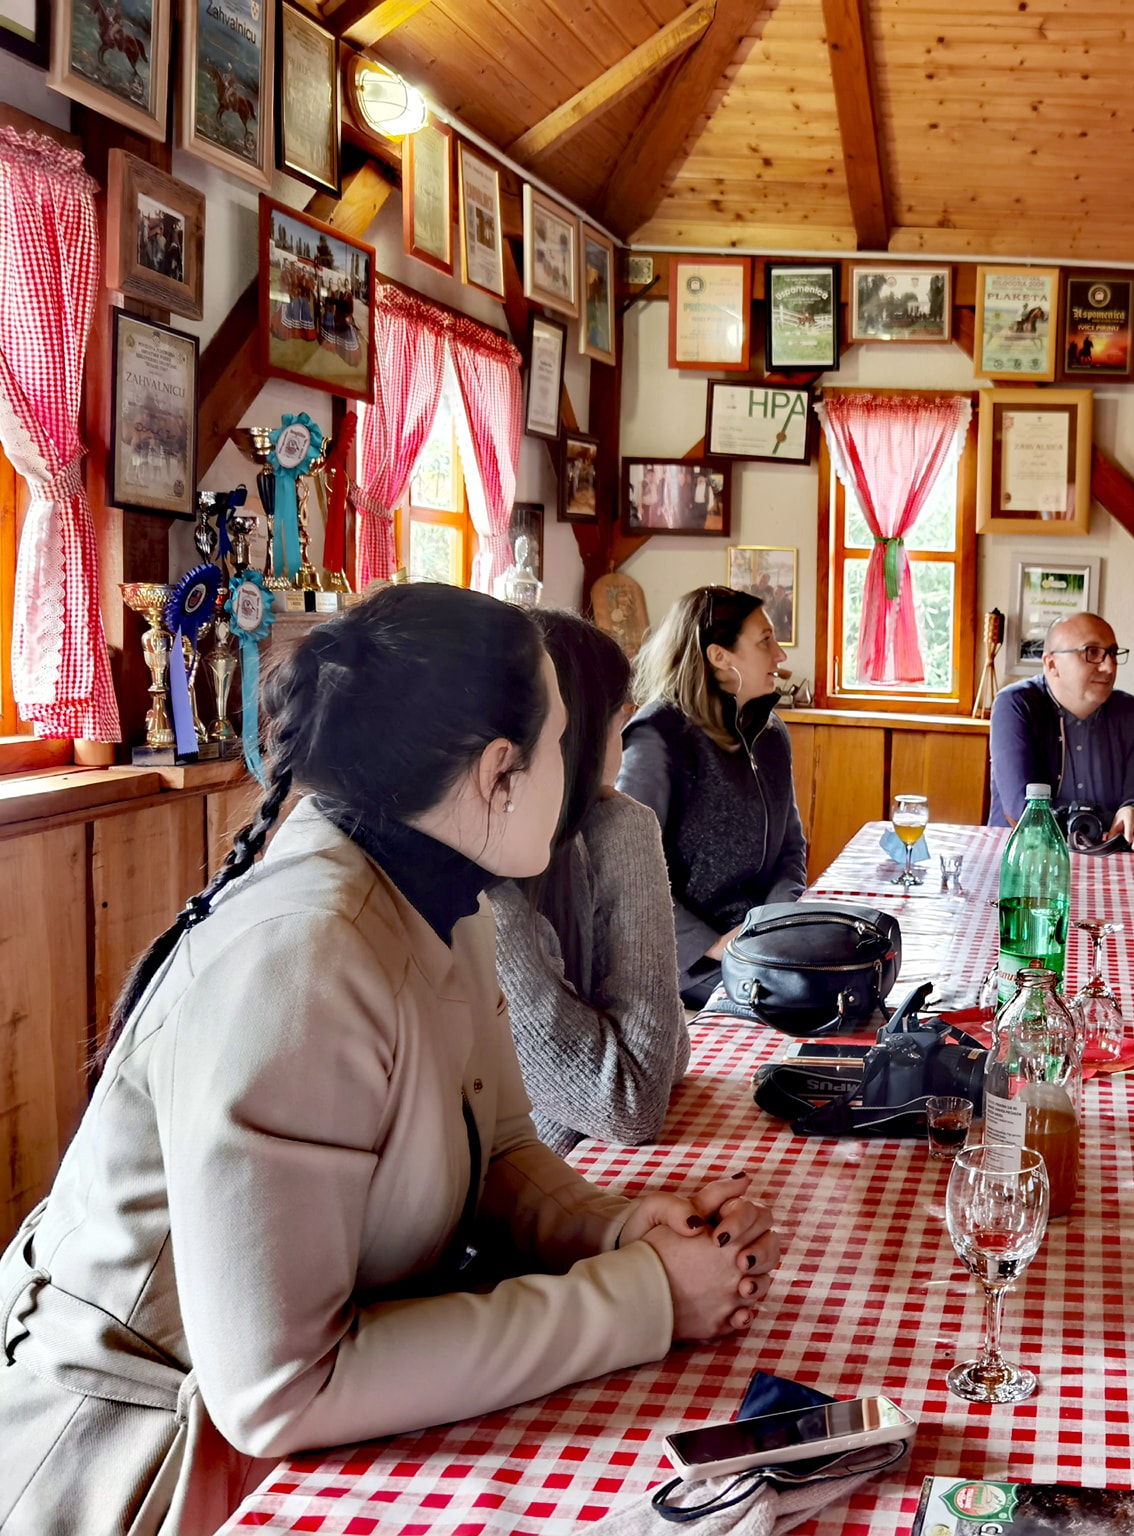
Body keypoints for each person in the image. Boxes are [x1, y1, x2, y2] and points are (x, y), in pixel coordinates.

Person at [0, 585, 778, 1536]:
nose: (585, 767)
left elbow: (499, 1152)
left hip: (291, 1447)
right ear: (499, 772)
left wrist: (616, 1227)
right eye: (562, 739)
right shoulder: (305, 960)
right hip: (140, 1473)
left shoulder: (442, 902)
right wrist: (644, 1297)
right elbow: (281, 1388)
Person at [491, 611, 689, 1152]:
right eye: (618, 723)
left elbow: (670, 1057)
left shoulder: (562, 849)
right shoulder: (485, 903)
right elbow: (631, 1104)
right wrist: (631, 827)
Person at [619, 586, 806, 1006]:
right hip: (685, 962)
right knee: (797, 1005)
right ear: (719, 656)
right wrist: (715, 944)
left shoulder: (771, 735)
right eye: (765, 641)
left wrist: (773, 922)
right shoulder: (657, 736)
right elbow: (625, 871)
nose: (780, 655)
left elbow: (791, 847)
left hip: (759, 946)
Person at [987, 612, 1134, 848]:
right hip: (1027, 853)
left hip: (1113, 855)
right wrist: (1108, 819)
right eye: (1092, 652)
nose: (1109, 666)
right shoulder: (1016, 705)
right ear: (1052, 664)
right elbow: (1024, 809)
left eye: (1112, 653)